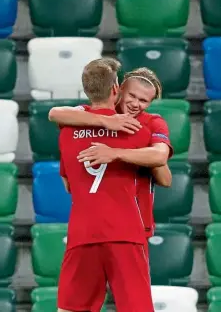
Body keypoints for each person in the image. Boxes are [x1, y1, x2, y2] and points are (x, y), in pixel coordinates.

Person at [57, 58, 155, 312]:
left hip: (83, 232)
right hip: (125, 231)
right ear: (116, 90)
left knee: (71, 308)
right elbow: (162, 171)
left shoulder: (67, 130)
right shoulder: (136, 129)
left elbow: (67, 183)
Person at [49, 67, 174, 256]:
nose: (135, 104)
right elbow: (55, 113)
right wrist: (105, 121)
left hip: (135, 222)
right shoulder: (92, 113)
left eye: (143, 101)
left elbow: (164, 175)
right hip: (93, 224)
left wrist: (119, 152)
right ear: (119, 88)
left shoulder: (153, 123)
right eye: (132, 96)